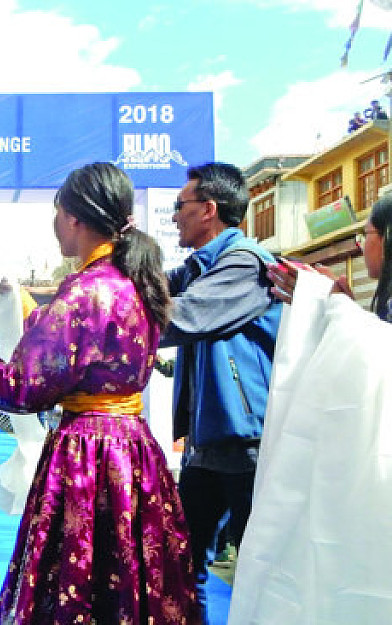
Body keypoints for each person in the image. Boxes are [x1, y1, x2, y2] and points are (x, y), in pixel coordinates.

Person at [0, 163, 198, 624]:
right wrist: (24, 306)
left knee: (75, 584)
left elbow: (22, 387)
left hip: (87, 455)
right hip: (136, 450)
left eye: (58, 212)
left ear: (74, 218)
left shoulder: (85, 291)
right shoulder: (138, 284)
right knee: (136, 580)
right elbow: (77, 344)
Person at [163, 162, 282, 619]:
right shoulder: (199, 267)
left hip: (248, 444)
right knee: (180, 563)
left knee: (259, 572)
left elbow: (183, 317)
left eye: (181, 206)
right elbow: (148, 288)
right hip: (207, 445)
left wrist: (107, 316)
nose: (176, 216)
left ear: (208, 209)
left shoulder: (245, 263)